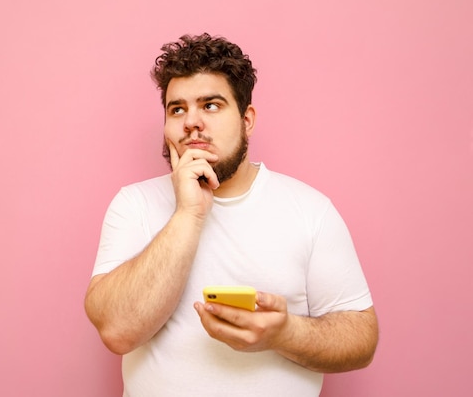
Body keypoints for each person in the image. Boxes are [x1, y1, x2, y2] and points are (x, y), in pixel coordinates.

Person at [85, 33, 378, 396]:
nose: (192, 122)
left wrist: (286, 334)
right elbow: (116, 330)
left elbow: (362, 339)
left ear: (247, 119)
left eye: (210, 105)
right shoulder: (133, 205)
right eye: (177, 109)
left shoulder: (311, 211)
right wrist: (189, 214)